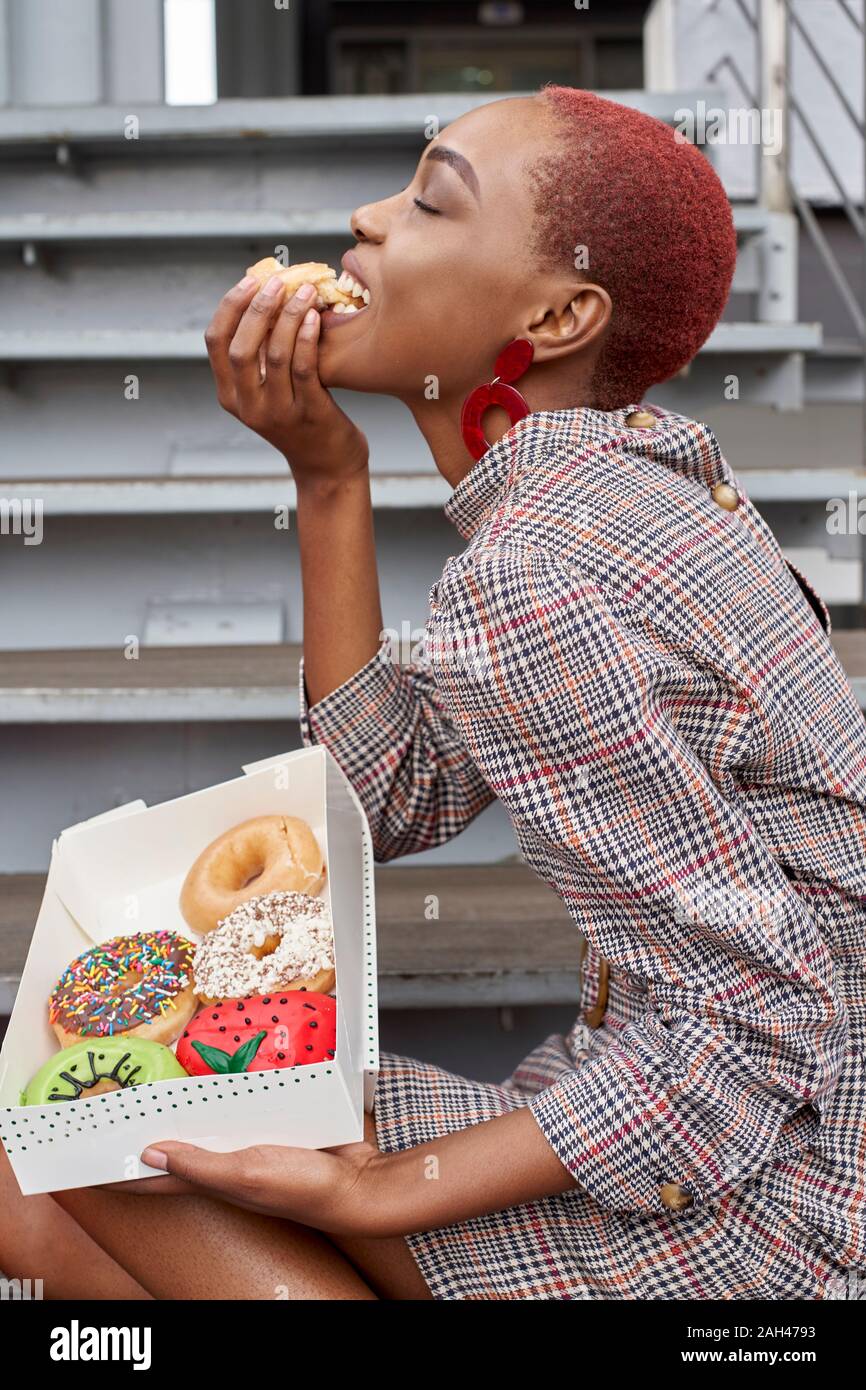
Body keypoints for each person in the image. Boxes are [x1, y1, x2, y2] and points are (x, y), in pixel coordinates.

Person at [2, 86, 864, 1301]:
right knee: (45, 1165)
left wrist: (365, 1193)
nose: (363, 218)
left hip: (766, 1219)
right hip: (769, 1126)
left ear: (558, 315)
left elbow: (755, 1030)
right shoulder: (633, 482)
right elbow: (388, 794)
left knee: (95, 1120)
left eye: (425, 201)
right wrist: (327, 480)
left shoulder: (539, 573)